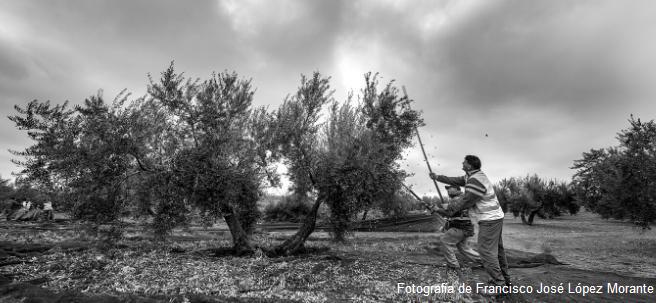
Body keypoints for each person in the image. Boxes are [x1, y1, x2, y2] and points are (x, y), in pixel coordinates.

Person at [430, 155, 511, 287]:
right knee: (496, 250)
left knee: (485, 252)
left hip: (489, 218)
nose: (462, 163)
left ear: (469, 165)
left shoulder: (475, 181)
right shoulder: (470, 176)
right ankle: (505, 281)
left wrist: (445, 211)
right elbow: (454, 180)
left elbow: (465, 202)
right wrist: (437, 177)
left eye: (464, 162)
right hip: (493, 217)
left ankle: (499, 284)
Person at [437, 185, 481, 277]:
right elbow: (451, 214)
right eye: (447, 189)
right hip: (465, 227)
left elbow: (450, 213)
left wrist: (438, 209)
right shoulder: (458, 198)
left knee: (444, 241)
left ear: (457, 189)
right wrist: (440, 210)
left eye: (450, 188)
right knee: (464, 248)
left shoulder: (459, 198)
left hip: (461, 227)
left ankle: (454, 266)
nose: (448, 190)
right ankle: (486, 261)